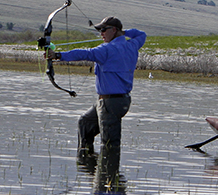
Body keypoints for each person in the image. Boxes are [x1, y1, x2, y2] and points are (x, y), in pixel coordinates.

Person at [47, 16, 146, 155]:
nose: (101, 34)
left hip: (110, 103)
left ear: (114, 29)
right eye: (100, 30)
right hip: (121, 101)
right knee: (85, 122)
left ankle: (108, 173)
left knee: (110, 144)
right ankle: (87, 163)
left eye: (104, 30)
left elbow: (84, 54)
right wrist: (123, 33)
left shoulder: (106, 49)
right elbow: (141, 34)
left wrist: (58, 55)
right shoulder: (132, 45)